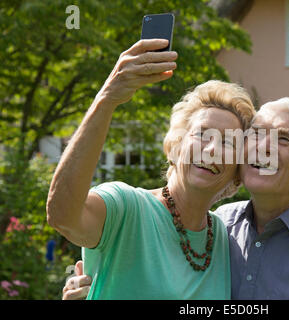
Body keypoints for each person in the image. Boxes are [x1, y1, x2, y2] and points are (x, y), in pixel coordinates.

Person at [62, 96, 289, 300]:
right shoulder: (220, 227)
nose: (264, 147)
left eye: (284, 139)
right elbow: (69, 215)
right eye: (255, 135)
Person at [47, 38, 256, 299]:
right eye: (202, 134)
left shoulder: (225, 239)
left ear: (236, 171)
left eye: (227, 142)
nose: (212, 148)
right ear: (176, 145)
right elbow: (62, 215)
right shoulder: (127, 208)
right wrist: (107, 98)